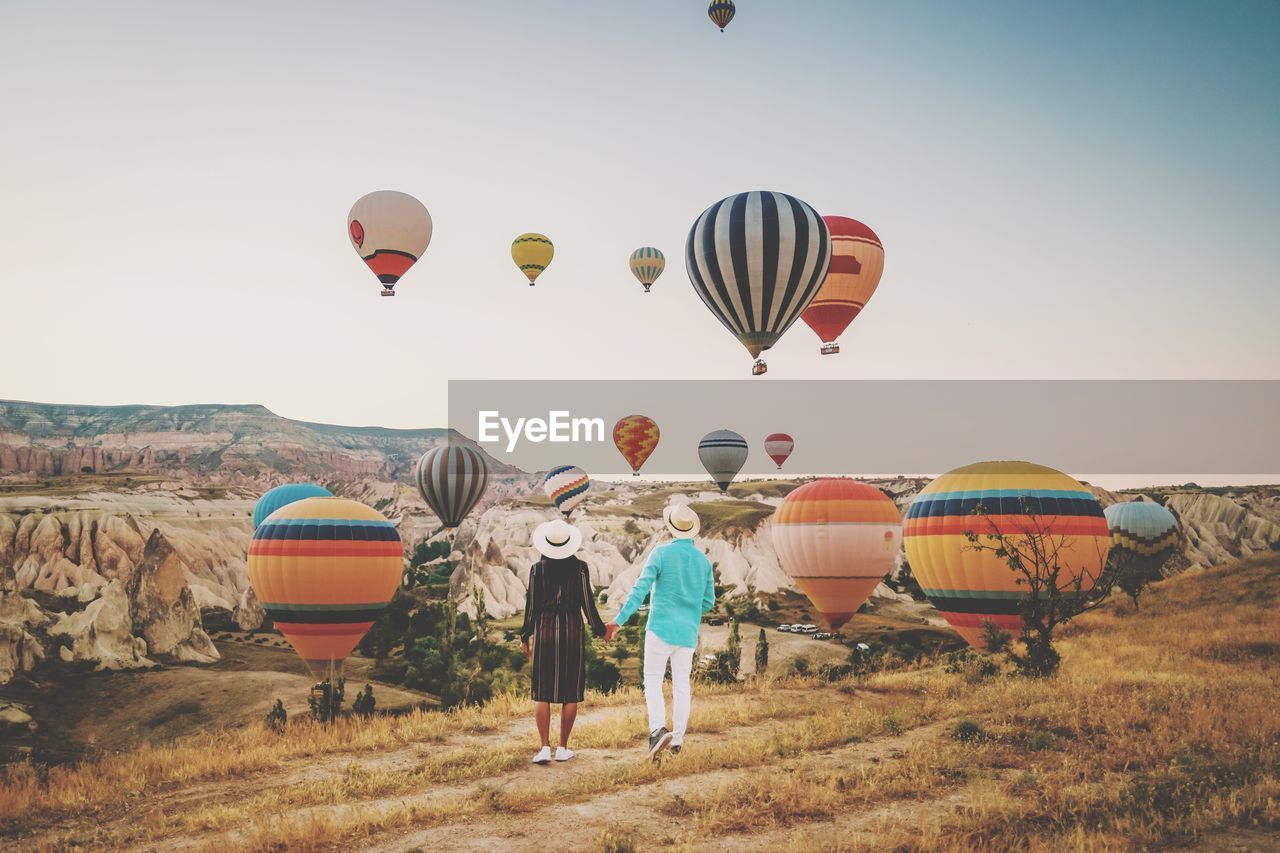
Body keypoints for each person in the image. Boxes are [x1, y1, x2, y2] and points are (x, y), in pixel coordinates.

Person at [606, 503, 715, 760]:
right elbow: (709, 602)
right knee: (681, 686)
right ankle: (677, 739)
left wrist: (618, 621)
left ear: (671, 527)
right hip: (687, 634)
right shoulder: (704, 561)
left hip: (659, 629)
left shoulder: (660, 553)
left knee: (653, 681)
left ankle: (657, 730)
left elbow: (639, 590)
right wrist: (690, 608)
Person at [520, 518, 607, 765]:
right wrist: (601, 630)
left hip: (544, 631)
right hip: (571, 631)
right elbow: (588, 605)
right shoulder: (581, 568)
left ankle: (544, 747)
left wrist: (524, 636)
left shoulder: (537, 570)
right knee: (570, 692)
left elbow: (531, 607)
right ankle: (563, 748)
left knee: (542, 691)